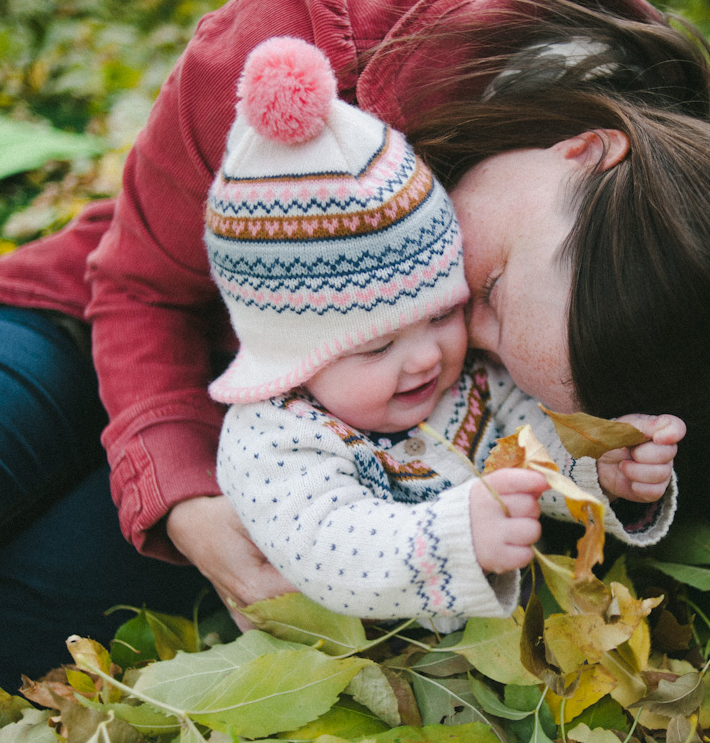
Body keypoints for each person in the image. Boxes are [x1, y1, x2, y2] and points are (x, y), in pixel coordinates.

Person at [0, 0, 710, 741]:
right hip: (110, 321)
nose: (455, 347)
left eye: (493, 349)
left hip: (303, 454)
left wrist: (622, 469)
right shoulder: (320, 43)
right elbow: (135, 282)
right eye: (484, 289)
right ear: (588, 148)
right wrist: (178, 495)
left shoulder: (696, 264)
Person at [206, 36, 683, 629]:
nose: (426, 356)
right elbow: (329, 544)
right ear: (290, 357)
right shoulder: (274, 435)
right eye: (377, 346)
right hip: (361, 659)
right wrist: (454, 536)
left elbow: (533, 444)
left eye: (441, 314)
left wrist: (599, 467)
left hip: (493, 654)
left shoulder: (469, 386)